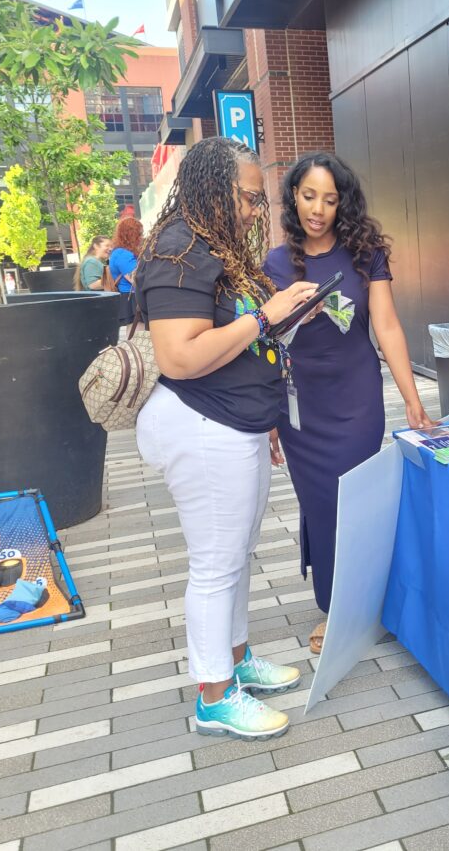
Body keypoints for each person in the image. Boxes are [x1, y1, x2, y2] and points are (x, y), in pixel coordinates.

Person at [134, 137, 322, 741]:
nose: (252, 210)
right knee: (216, 563)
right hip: (202, 422)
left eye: (256, 200)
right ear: (211, 189)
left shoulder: (212, 247)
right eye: (246, 198)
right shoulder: (178, 251)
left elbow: (239, 340)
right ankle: (214, 696)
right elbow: (180, 356)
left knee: (235, 554)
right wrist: (266, 316)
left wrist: (284, 319)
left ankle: (236, 661)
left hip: (235, 422)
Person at [264, 151, 436, 654]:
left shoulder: (365, 254)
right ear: (294, 196)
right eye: (309, 195)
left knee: (353, 500)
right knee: (319, 504)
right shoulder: (274, 264)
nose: (318, 208)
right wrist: (267, 416)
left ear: (343, 204)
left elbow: (385, 325)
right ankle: (336, 608)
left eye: (330, 199)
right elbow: (267, 342)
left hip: (357, 398)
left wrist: (412, 398)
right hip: (300, 405)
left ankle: (358, 606)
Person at [108, 217, 144, 325]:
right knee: (138, 335)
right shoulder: (123, 254)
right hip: (132, 297)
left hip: (130, 296)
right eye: (140, 234)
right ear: (132, 235)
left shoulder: (119, 252)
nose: (142, 238)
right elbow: (136, 279)